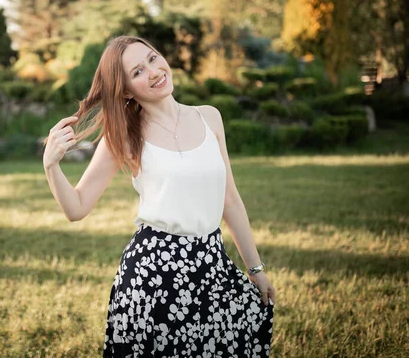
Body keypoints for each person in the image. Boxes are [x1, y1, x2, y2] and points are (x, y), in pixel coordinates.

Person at [43, 35, 275, 357]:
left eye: (152, 58)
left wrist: (256, 269)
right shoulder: (124, 137)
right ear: (125, 90)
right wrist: (51, 165)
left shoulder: (210, 117)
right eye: (137, 72)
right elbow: (77, 207)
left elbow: (230, 200)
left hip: (212, 265)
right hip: (152, 276)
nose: (153, 72)